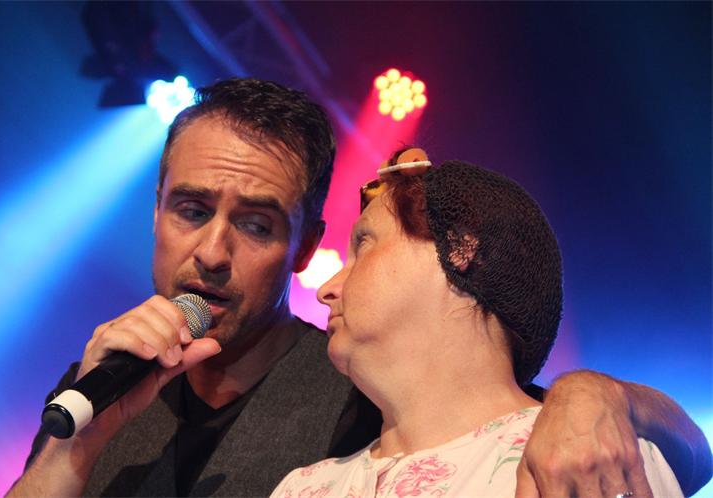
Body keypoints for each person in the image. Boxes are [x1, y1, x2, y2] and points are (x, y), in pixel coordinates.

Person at [8, 78, 711, 497]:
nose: (212, 253)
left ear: (302, 246)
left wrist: (597, 393)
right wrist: (78, 448)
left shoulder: (362, 381)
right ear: (156, 211)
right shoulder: (99, 385)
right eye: (191, 211)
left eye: (254, 225)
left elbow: (541, 420)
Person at [271, 148, 682, 497]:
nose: (326, 289)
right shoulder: (303, 487)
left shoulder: (587, 458)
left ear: (458, 248)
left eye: (363, 244)